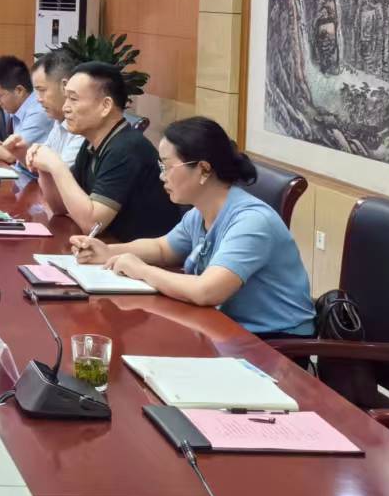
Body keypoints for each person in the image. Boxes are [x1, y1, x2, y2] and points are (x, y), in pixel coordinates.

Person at [69, 117, 314, 338]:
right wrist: (108, 252)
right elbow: (163, 248)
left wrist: (141, 270)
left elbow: (207, 291)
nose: (162, 176)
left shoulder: (252, 222)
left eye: (167, 167)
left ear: (203, 170)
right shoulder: (200, 213)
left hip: (273, 345)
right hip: (222, 329)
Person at [25, 61, 176, 240]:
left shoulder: (126, 148)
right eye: (66, 98)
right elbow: (60, 207)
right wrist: (44, 169)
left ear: (105, 106)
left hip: (137, 253)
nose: (65, 107)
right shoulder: (91, 144)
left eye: (73, 99)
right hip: (109, 246)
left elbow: (92, 225)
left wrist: (56, 165)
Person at [31, 48, 85, 167]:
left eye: (42, 90)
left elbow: (60, 172)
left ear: (65, 86)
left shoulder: (82, 125)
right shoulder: (59, 120)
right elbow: (40, 166)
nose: (38, 99)